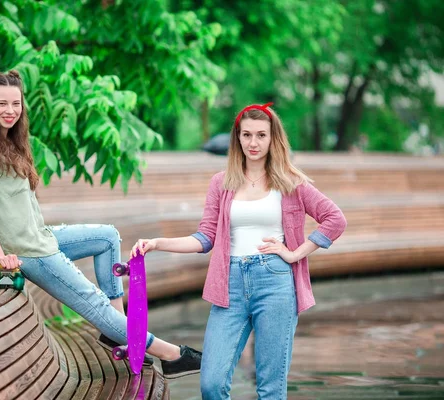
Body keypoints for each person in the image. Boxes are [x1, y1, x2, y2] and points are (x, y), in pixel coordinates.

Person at [0, 69, 201, 379]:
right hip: (25, 251)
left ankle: (119, 332)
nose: (10, 111)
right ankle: (171, 354)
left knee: (107, 236)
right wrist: (2, 260)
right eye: (2, 104)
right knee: (95, 303)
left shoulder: (11, 141)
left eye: (16, 103)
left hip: (39, 237)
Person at [131, 102, 347, 398]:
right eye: (246, 135)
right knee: (211, 382)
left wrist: (295, 253)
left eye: (261, 135)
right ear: (237, 138)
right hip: (229, 284)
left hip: (275, 282)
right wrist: (157, 243)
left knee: (270, 388)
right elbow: (205, 237)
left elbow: (335, 219)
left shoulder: (291, 182)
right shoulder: (222, 183)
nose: (253, 143)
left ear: (273, 139)